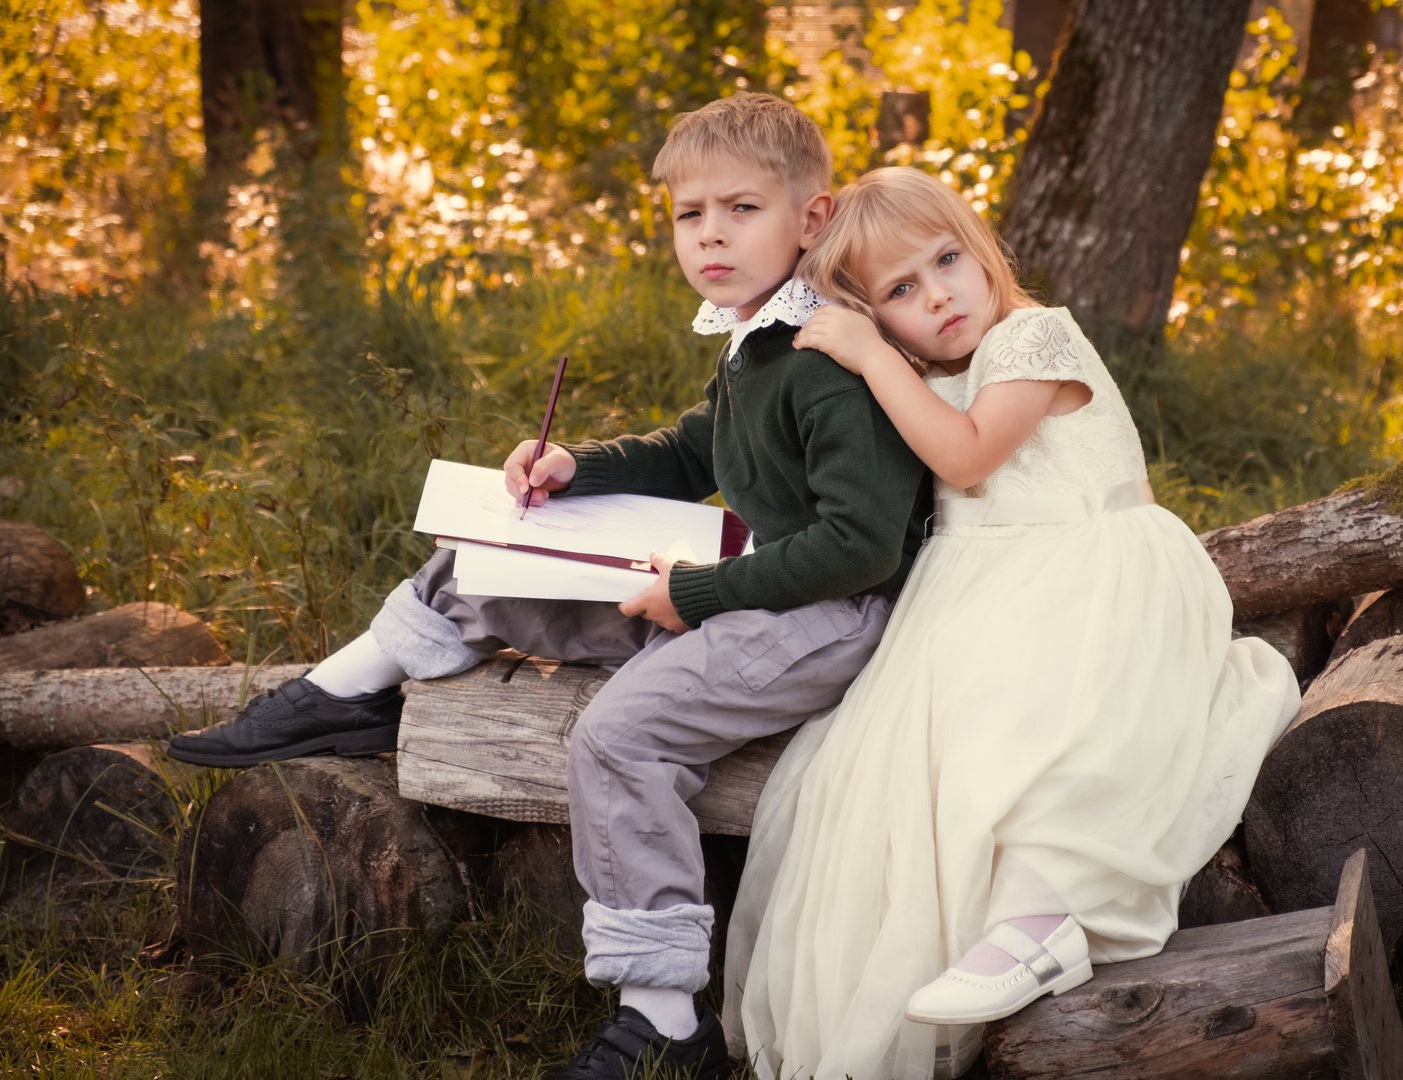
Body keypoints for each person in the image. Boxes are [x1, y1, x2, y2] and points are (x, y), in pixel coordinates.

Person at [169, 95, 930, 1080]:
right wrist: (579, 466)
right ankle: (344, 694)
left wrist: (692, 597)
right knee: (498, 548)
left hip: (825, 617)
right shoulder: (757, 338)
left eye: (740, 210)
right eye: (687, 215)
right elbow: (699, 447)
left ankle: (663, 1023)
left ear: (811, 219)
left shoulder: (826, 355)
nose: (709, 235)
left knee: (621, 736)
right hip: (752, 583)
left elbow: (861, 547)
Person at [722, 167, 1302, 1080]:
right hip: (971, 595)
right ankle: (923, 954)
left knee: (1045, 712)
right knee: (886, 767)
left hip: (1092, 568)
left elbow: (970, 457)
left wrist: (872, 356)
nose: (939, 295)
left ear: (983, 248)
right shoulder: (914, 377)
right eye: (901, 292)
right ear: (877, 311)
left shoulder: (1033, 335)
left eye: (947, 259)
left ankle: (1041, 919)